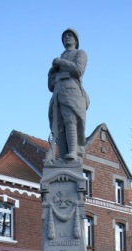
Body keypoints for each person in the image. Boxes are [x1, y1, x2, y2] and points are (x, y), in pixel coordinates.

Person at [48, 28, 89, 162]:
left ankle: (73, 151)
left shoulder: (80, 53)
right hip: (58, 91)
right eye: (65, 36)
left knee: (70, 119)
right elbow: (50, 85)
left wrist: (60, 63)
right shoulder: (59, 58)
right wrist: (52, 71)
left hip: (71, 89)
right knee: (58, 124)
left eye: (70, 36)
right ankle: (62, 155)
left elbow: (78, 70)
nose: (67, 38)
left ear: (76, 40)